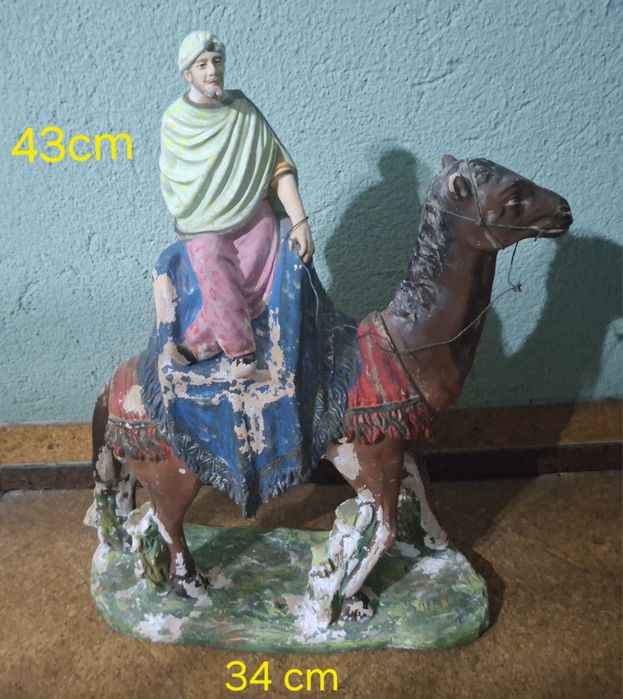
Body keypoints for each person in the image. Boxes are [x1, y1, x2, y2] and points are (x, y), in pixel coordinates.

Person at [159, 31, 314, 377]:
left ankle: (199, 343)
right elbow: (179, 183)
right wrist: (209, 208)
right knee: (209, 256)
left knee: (253, 262)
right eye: (202, 65)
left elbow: (278, 168)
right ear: (187, 74)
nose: (212, 71)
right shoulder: (176, 120)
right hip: (201, 222)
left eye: (217, 62)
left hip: (251, 214)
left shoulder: (243, 111)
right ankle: (242, 352)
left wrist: (300, 222)